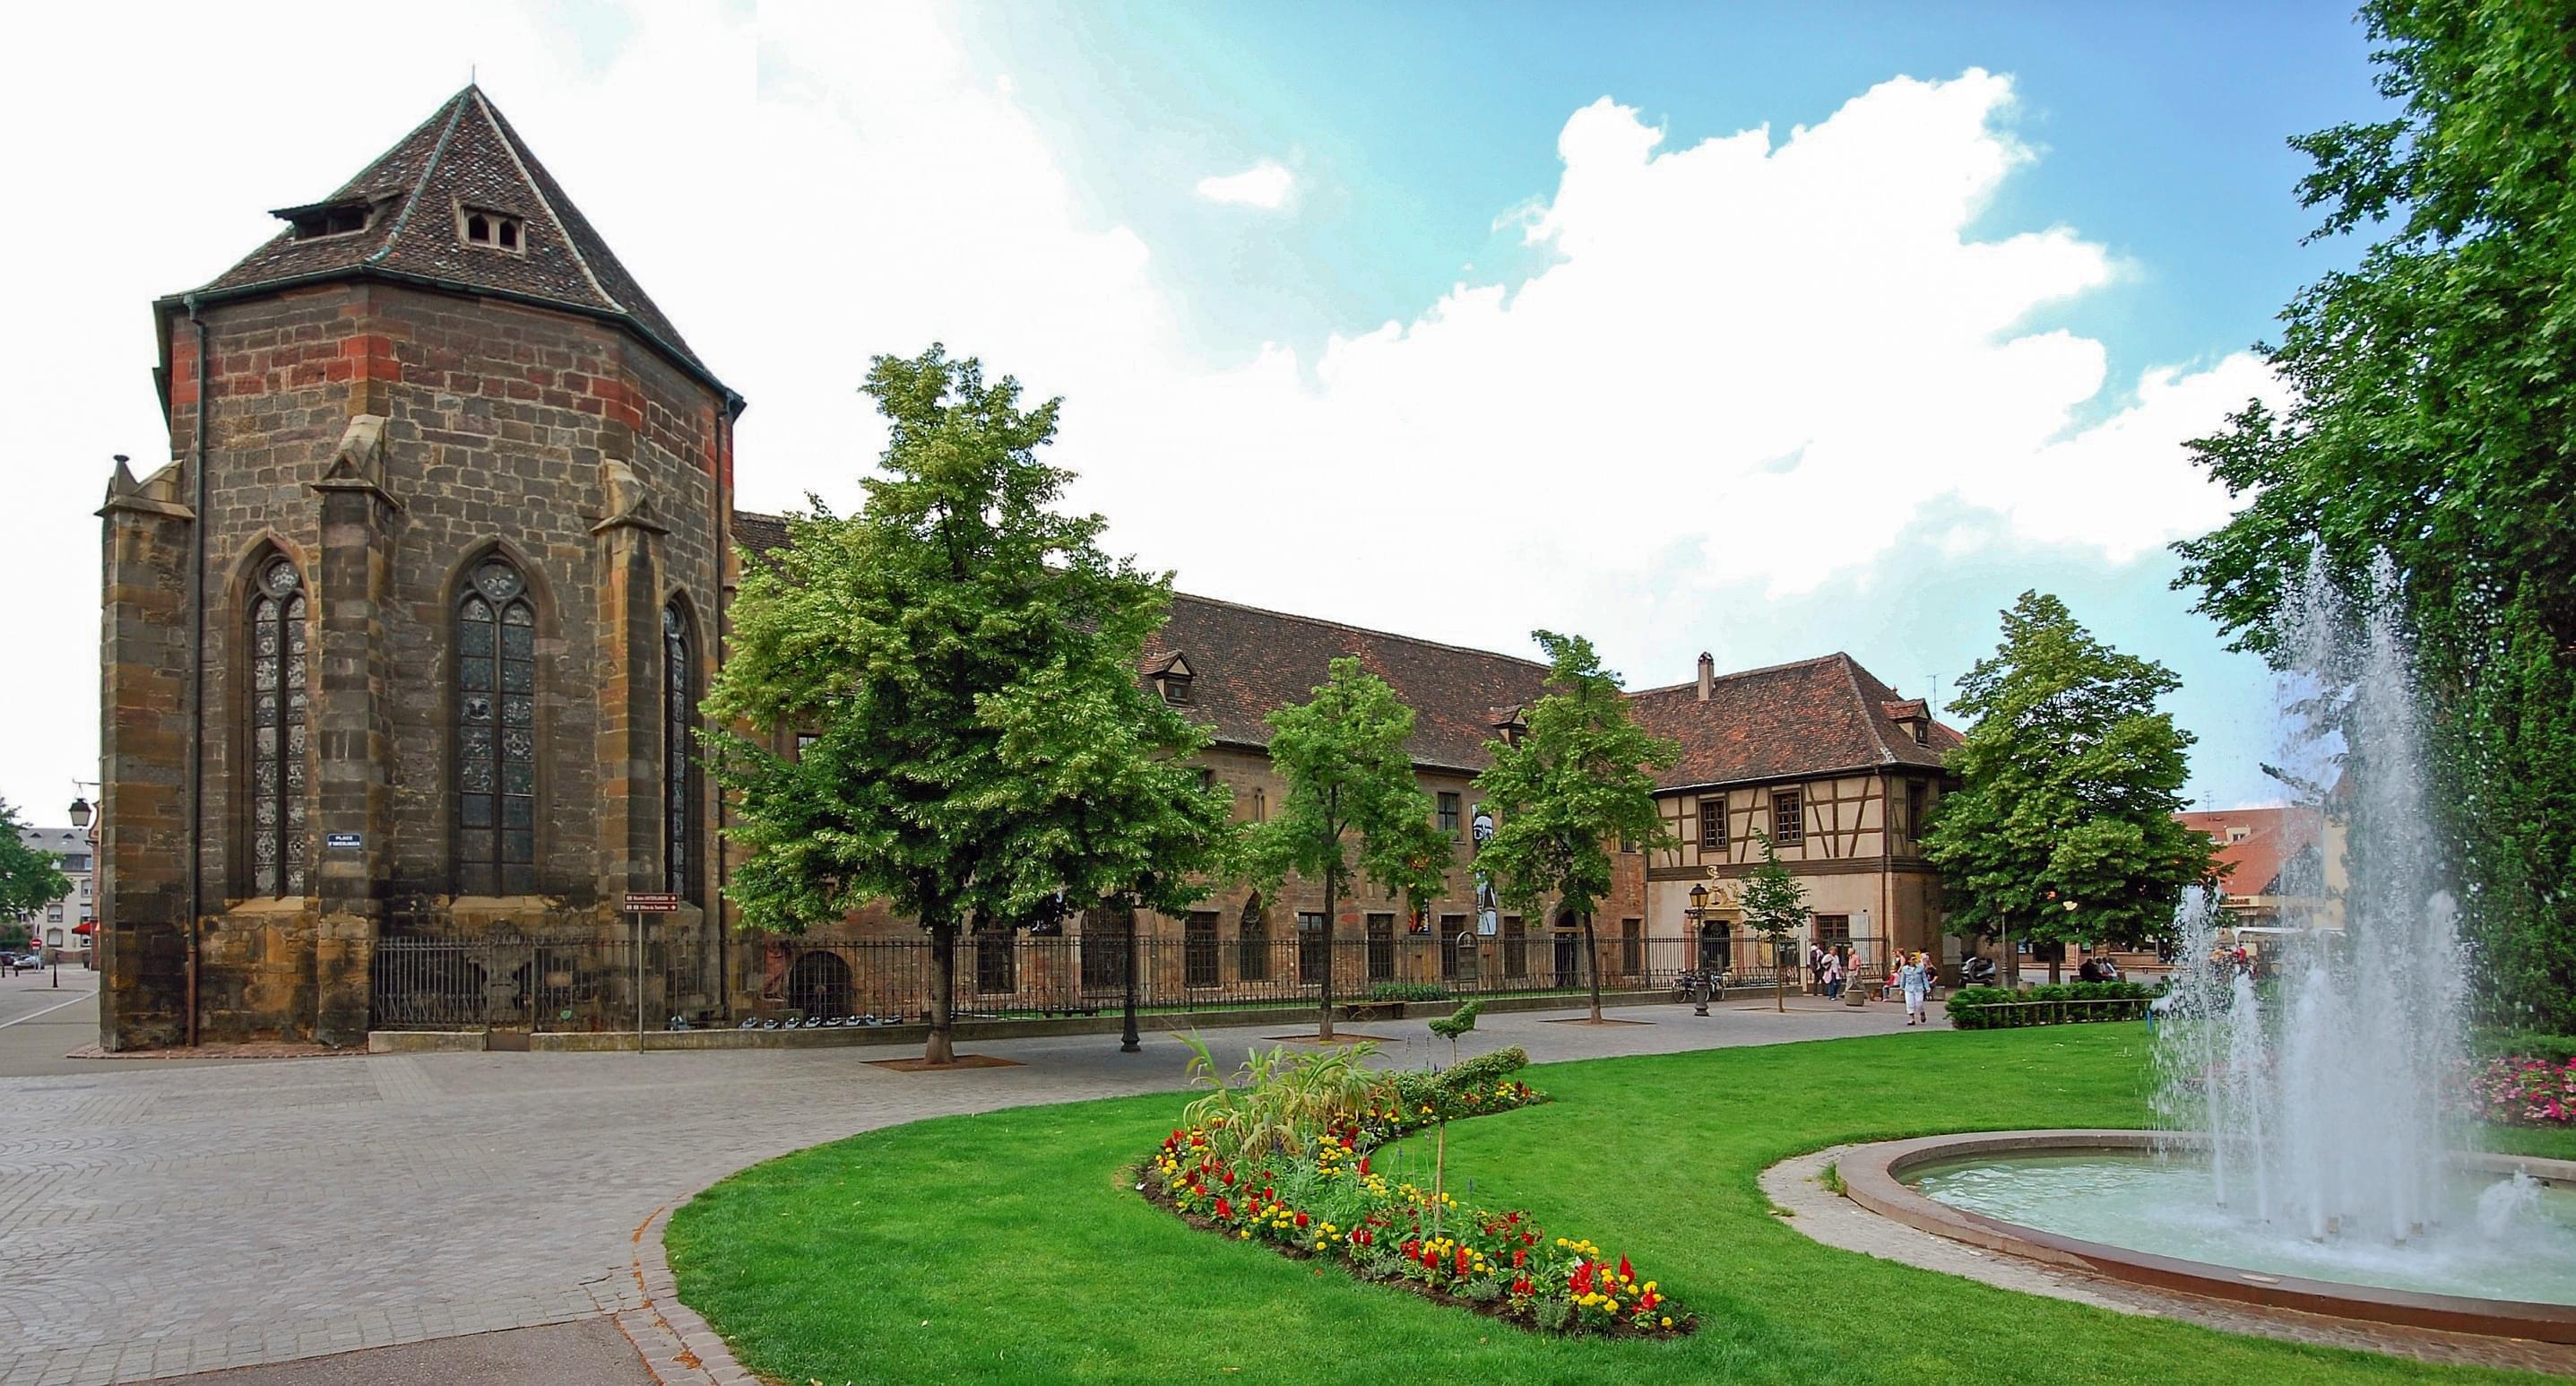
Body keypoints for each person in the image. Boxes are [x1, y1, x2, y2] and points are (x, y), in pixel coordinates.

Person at [1901, 952, 1931, 1026]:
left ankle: (1922, 1012)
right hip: (1909, 988)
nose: (1914, 961)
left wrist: (1927, 987)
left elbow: (1924, 978)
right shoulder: (1905, 969)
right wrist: (1901, 989)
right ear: (1909, 961)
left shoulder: (1920, 967)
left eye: (1915, 959)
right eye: (1913, 959)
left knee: (1919, 1003)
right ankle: (1912, 1019)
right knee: (1910, 1003)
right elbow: (1903, 979)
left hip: (1918, 987)